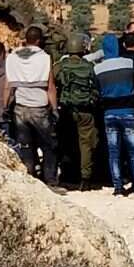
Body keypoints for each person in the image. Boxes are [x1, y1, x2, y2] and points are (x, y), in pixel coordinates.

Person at [94, 34, 134, 197]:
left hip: (109, 113)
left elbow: (97, 91)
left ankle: (118, 187)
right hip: (129, 111)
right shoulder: (129, 63)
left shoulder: (98, 69)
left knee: (114, 152)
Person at [5, 26, 59, 187]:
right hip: (39, 108)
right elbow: (50, 86)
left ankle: (30, 176)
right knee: (49, 145)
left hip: (20, 107)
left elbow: (8, 86)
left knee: (26, 145)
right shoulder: (44, 58)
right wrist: (55, 108)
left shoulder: (14, 56)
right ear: (38, 40)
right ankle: (50, 179)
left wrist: (5, 106)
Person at [52, 33, 100, 190]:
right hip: (86, 111)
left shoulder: (60, 66)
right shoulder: (89, 66)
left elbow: (51, 83)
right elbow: (96, 87)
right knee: (86, 144)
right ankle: (85, 178)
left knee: (67, 142)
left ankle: (67, 174)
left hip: (66, 110)